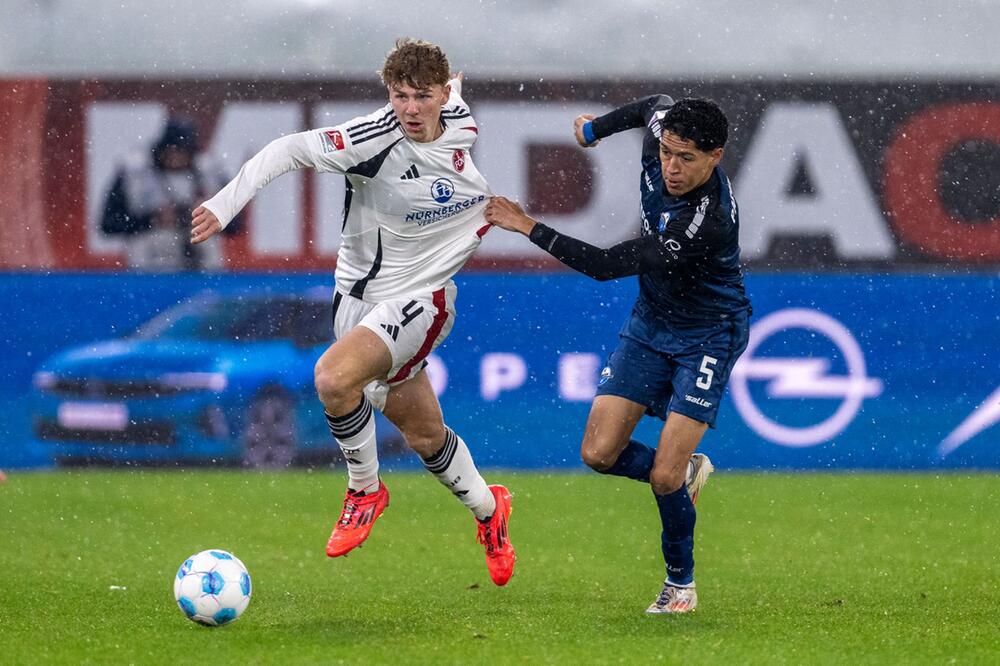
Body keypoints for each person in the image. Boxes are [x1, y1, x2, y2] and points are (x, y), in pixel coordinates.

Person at [190, 38, 515, 586]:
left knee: (332, 378)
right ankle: (491, 512)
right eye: (399, 95)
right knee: (424, 435)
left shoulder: (459, 121)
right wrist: (225, 204)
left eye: (422, 96)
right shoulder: (371, 137)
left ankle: (365, 490)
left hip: (425, 295)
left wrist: (449, 84)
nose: (410, 108)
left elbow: (454, 89)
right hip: (357, 301)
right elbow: (285, 150)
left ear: (442, 95)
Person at [484, 96, 751, 611]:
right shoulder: (662, 131)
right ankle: (682, 474)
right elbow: (654, 105)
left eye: (687, 159)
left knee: (663, 479)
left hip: (709, 334)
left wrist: (527, 225)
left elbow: (605, 265)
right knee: (598, 454)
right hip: (651, 323)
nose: (671, 167)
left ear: (716, 156)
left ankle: (680, 586)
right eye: (667, 152)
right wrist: (596, 130)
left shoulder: (703, 222)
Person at [101, 116, 240, 271]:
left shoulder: (210, 173)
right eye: (171, 150)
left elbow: (236, 226)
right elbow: (108, 224)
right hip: (149, 264)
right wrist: (153, 219)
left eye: (182, 151)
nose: (176, 157)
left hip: (202, 265)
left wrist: (210, 216)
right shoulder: (134, 174)